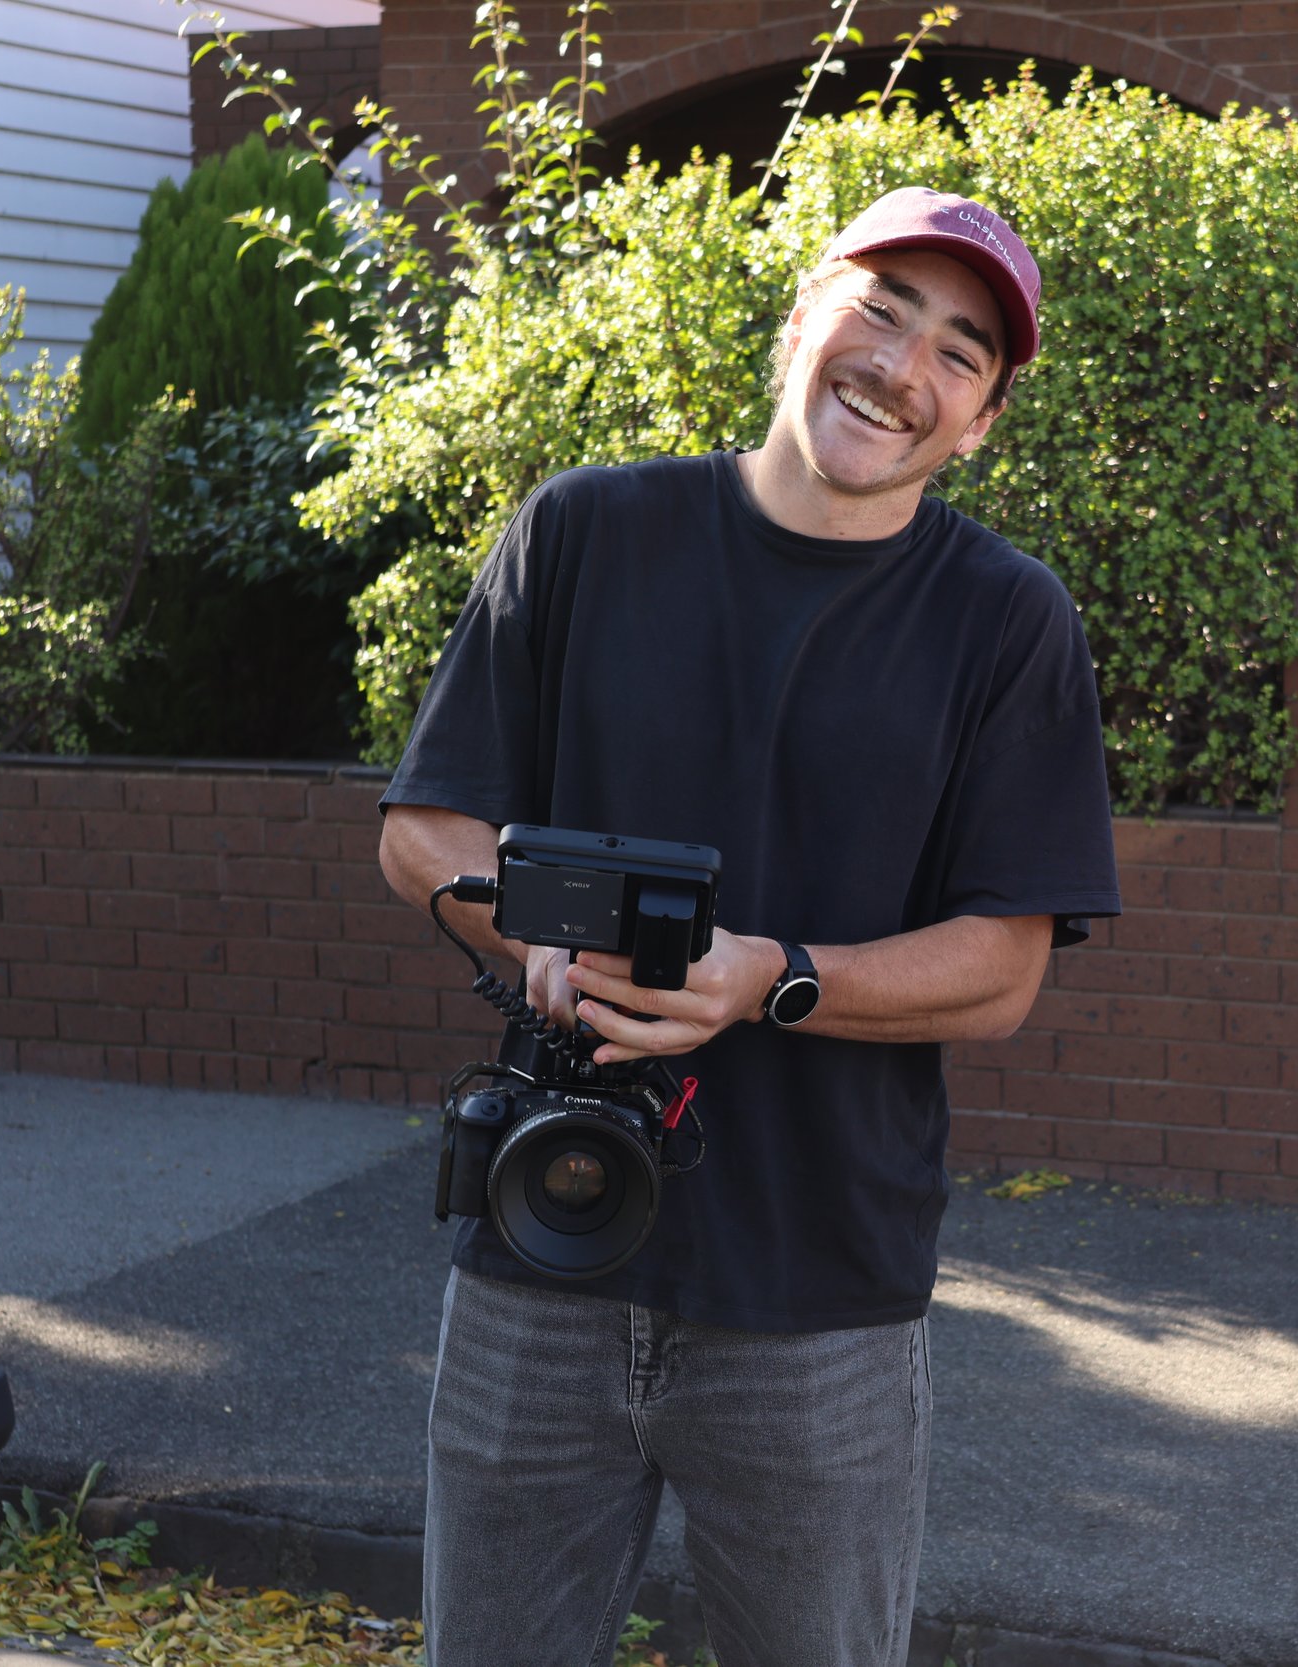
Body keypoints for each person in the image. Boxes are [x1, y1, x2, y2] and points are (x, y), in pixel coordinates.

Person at [376, 188, 1122, 1667]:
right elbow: (422, 830)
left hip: (818, 1297)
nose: (902, 366)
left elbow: (1002, 967)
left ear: (982, 422)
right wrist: (532, 932)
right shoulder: (587, 530)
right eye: (881, 309)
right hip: (541, 1244)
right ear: (801, 319)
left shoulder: (1005, 619)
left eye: (960, 352)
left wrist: (767, 980)